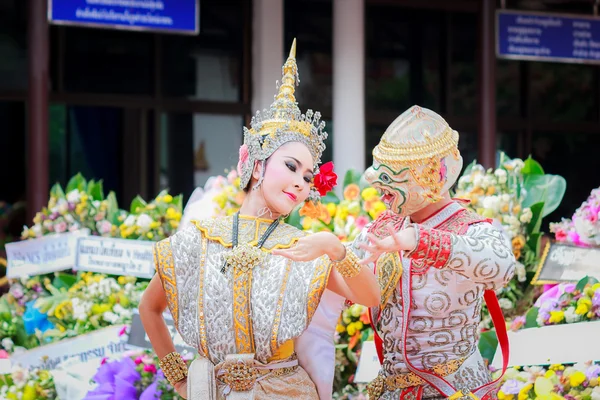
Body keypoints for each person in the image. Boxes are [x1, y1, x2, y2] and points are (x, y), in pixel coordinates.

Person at [138, 40, 380, 400]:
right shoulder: (202, 238)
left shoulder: (305, 247)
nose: (300, 182)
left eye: (309, 177)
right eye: (291, 166)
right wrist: (179, 379)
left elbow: (370, 296)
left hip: (286, 391)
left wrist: (336, 249)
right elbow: (149, 308)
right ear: (255, 163)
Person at [352, 106, 515, 399]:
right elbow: (339, 287)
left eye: (391, 181)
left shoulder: (469, 229)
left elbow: (503, 268)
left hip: (456, 388)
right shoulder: (380, 231)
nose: (379, 189)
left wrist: (420, 240)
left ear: (432, 176)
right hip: (392, 390)